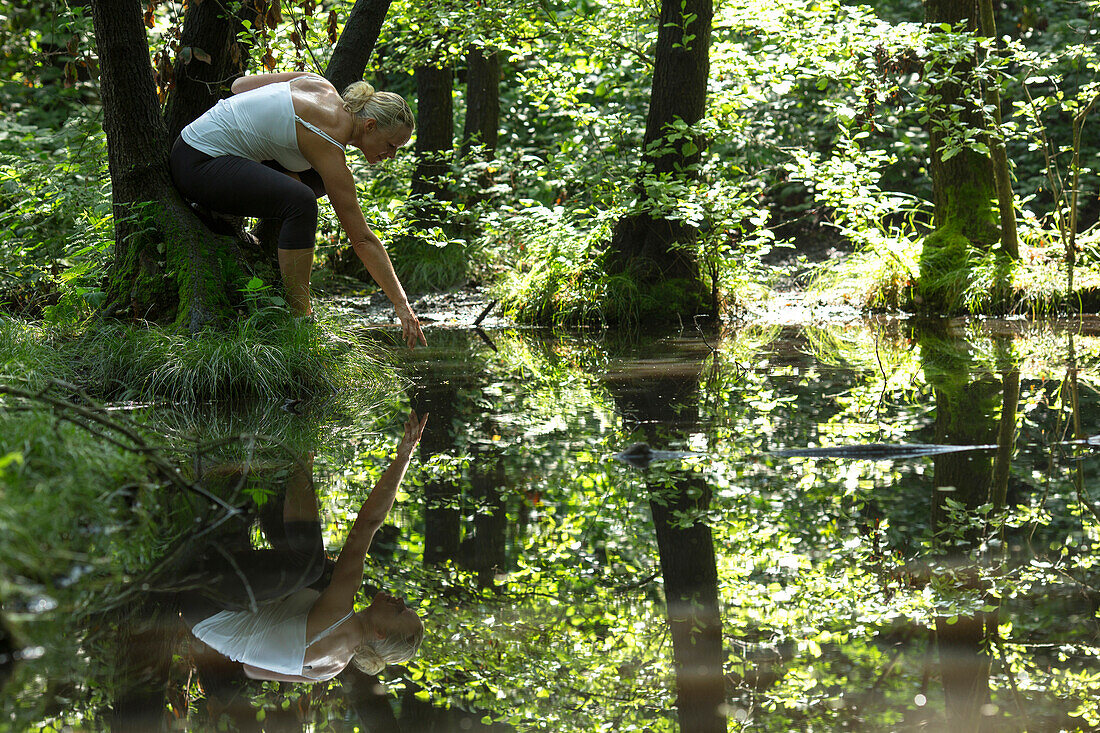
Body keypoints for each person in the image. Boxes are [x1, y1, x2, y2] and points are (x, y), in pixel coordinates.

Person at [170, 71, 427, 348]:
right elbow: (362, 239)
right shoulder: (326, 141)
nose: (392, 155)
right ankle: (302, 322)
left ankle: (224, 213)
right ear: (370, 126)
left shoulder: (317, 83)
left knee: (316, 181)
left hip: (190, 144)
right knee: (301, 203)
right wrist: (402, 305)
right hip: (199, 165)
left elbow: (238, 86)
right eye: (391, 145)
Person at [180, 410, 429, 681]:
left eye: (401, 611)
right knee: (324, 575)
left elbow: (365, 527)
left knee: (310, 567)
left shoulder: (339, 620)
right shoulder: (328, 671)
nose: (401, 602)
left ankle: (299, 448)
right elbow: (251, 669)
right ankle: (270, 483)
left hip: (206, 596)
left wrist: (404, 456)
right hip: (198, 614)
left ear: (380, 632)